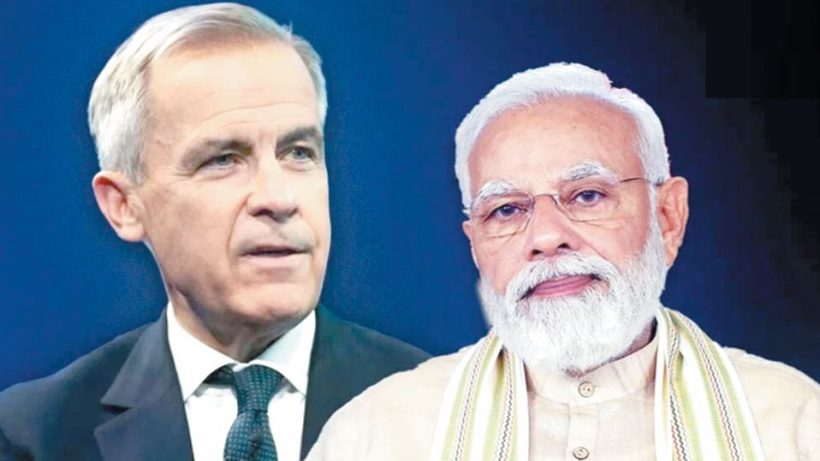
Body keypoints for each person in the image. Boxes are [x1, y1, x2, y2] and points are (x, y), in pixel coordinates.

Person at [307, 63, 820, 460]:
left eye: (587, 196)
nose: (547, 238)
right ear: (476, 245)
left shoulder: (794, 425)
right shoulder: (376, 434)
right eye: (507, 210)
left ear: (668, 217)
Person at [0, 3, 428, 460]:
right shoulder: (36, 434)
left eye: (299, 152)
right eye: (223, 160)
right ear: (124, 206)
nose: (279, 197)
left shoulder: (444, 408)